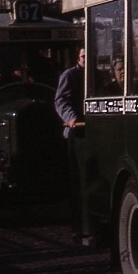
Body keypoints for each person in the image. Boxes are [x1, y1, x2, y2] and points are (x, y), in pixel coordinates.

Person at [54, 48, 86, 240]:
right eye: (83, 57)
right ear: (78, 58)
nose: (86, 60)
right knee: (76, 181)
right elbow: (61, 101)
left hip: (91, 131)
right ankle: (77, 225)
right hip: (75, 133)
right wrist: (71, 117)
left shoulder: (97, 75)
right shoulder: (70, 75)